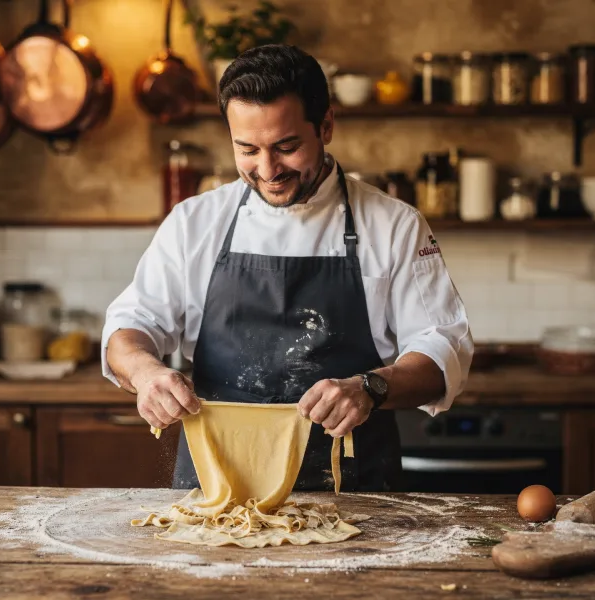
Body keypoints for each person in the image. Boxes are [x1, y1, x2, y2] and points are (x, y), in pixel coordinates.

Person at [102, 44, 473, 492]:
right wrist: (147, 374)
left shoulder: (394, 225)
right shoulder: (194, 223)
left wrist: (371, 387)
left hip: (354, 495)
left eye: (286, 147)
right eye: (247, 150)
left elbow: (442, 350)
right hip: (215, 494)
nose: (267, 169)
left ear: (327, 126)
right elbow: (130, 327)